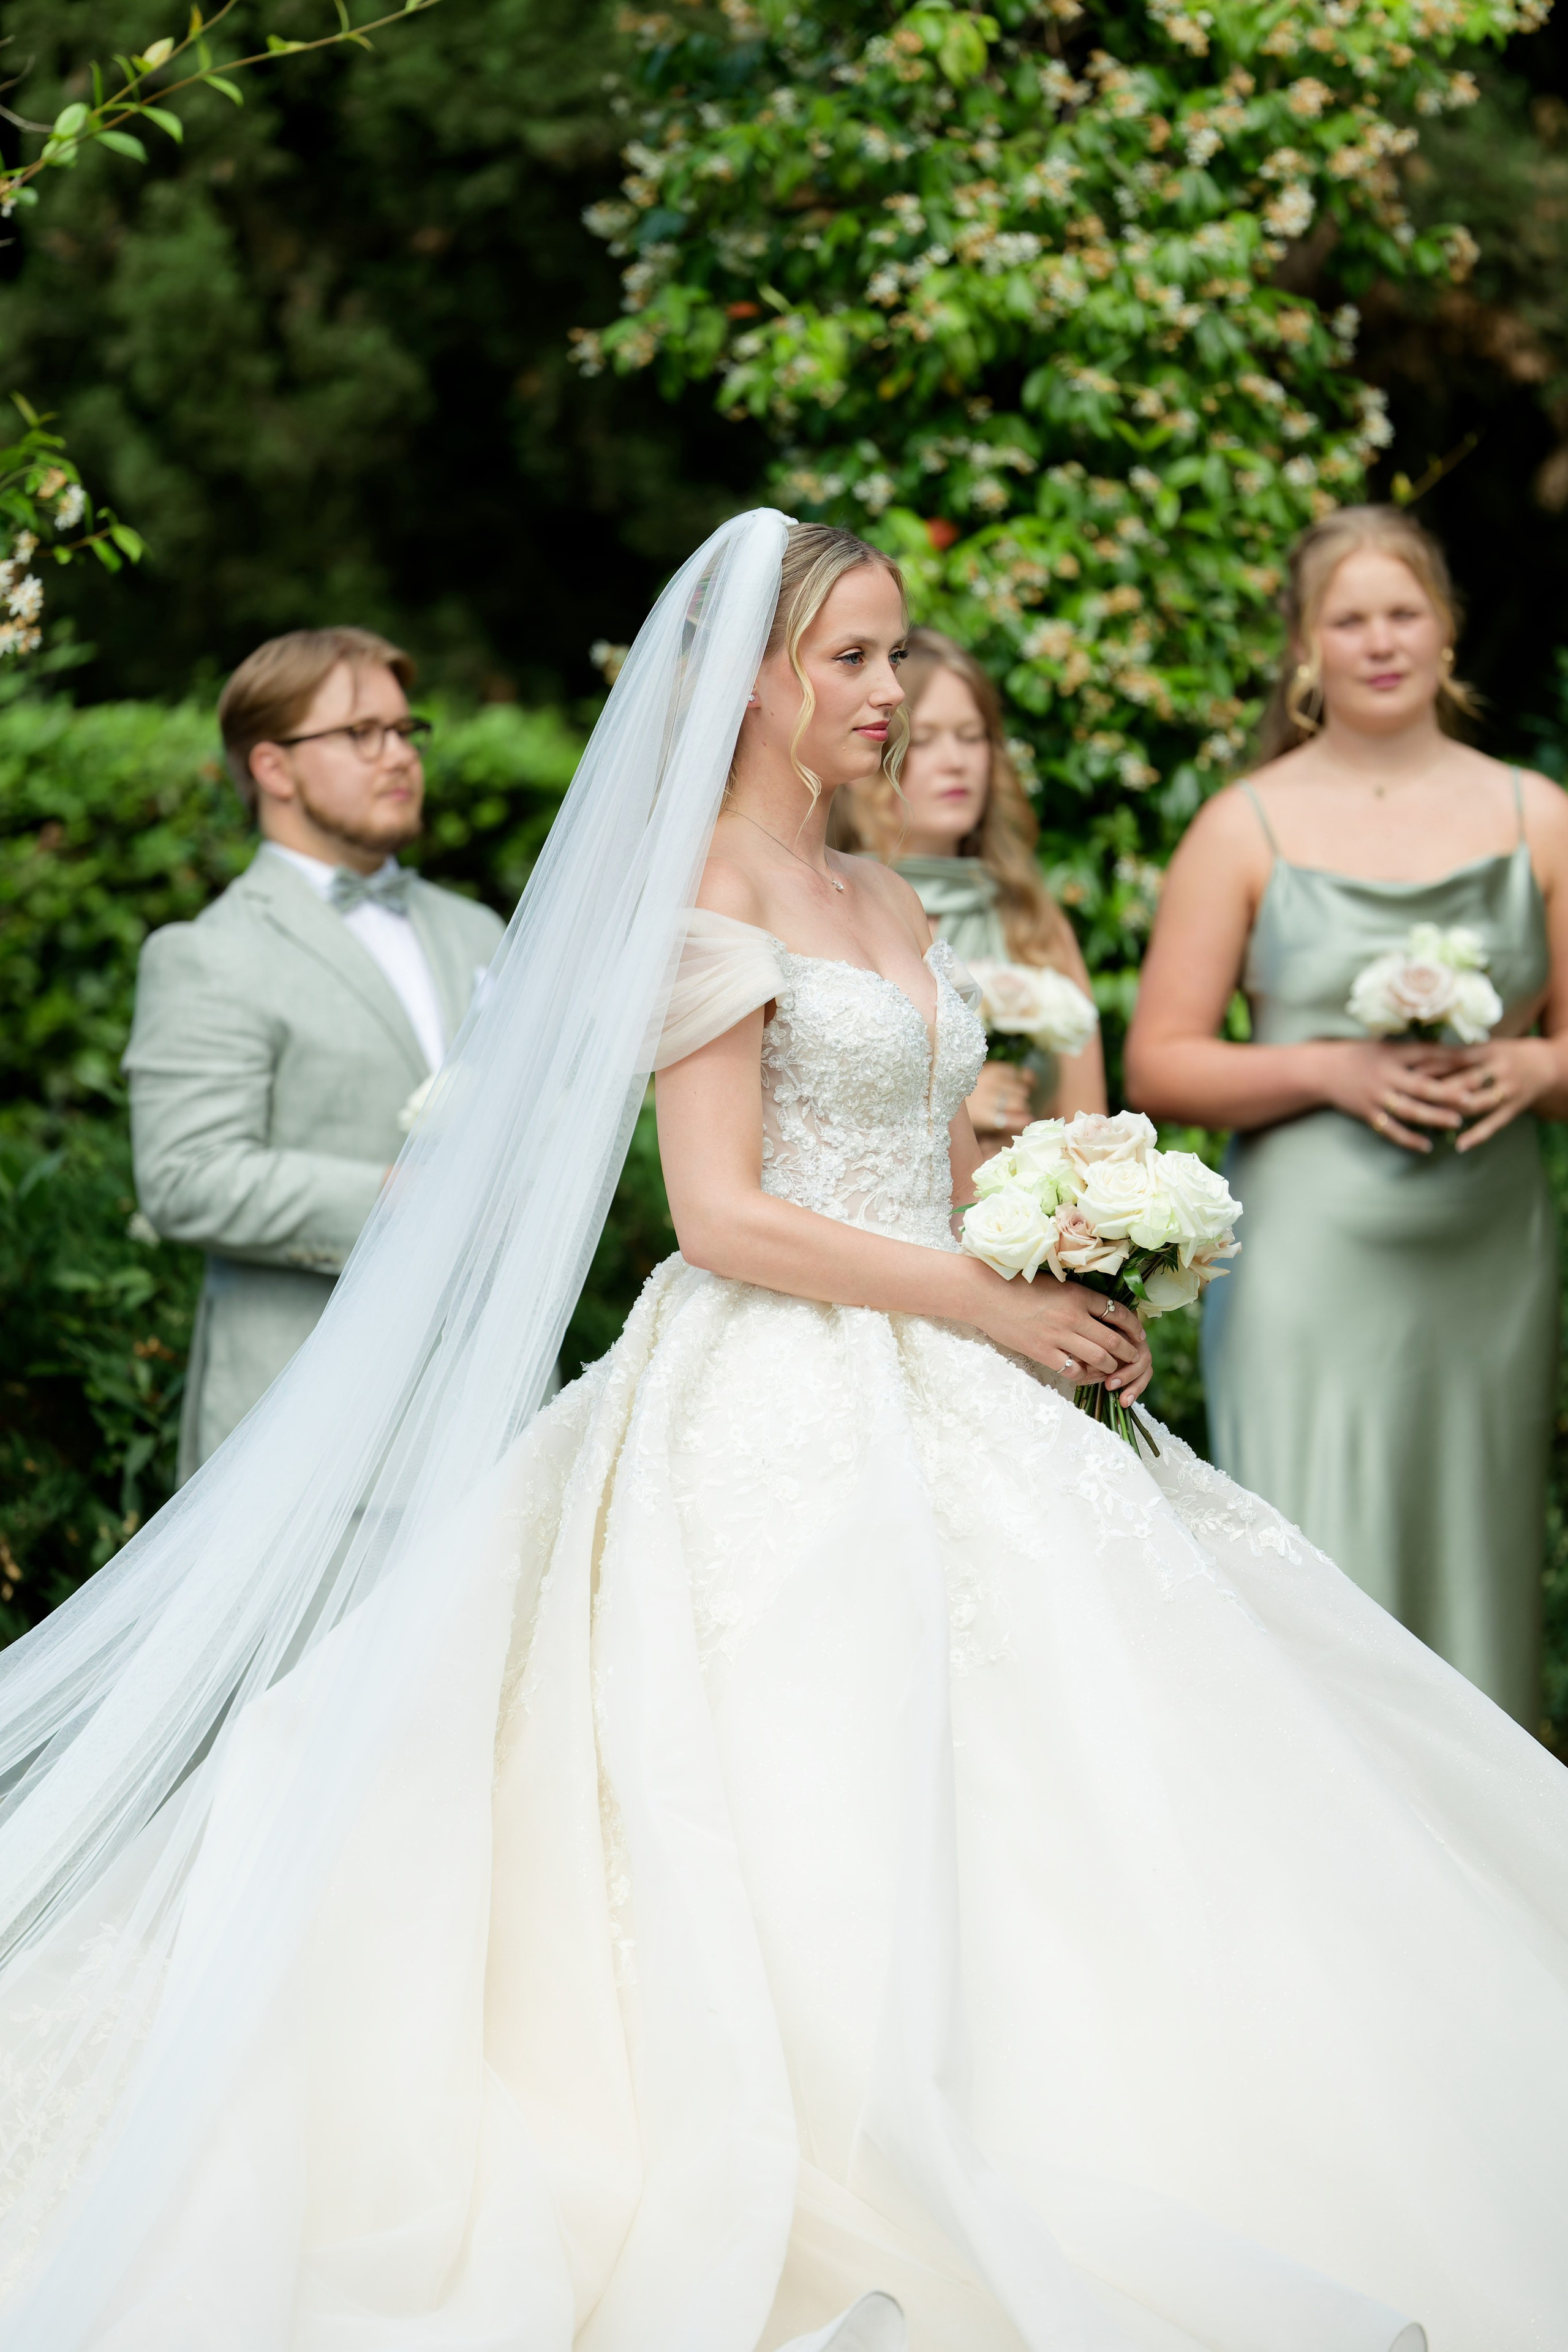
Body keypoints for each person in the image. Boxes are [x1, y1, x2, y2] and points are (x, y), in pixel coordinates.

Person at [0, 513, 1566, 2352]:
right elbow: (724, 1212)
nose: (894, 694)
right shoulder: (702, 903)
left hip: (961, 1362)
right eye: (855, 659)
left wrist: (1053, 1212)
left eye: (899, 657)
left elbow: (918, 1149)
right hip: (769, 1388)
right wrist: (980, 1297)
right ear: (750, 678)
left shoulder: (892, 899)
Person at [1125, 504, 1568, 1730]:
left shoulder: (1538, 817)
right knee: (1309, 1544)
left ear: (1444, 631)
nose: (1378, 641)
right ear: (1304, 653)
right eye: (1347, 619)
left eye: (1401, 612)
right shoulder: (1244, 824)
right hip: (1305, 1260)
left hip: (1484, 1257)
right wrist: (1329, 1072)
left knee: (1473, 1549)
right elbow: (1158, 1058)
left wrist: (1533, 1072)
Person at [123, 627, 505, 1479]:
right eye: (361, 733)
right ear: (273, 767)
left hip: (493, 1420)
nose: (398, 755)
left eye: (407, 731)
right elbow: (186, 1177)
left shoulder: (479, 930)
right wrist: (398, 1198)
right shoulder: (208, 953)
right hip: (301, 1448)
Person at [834, 625, 1106, 1138]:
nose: (956, 762)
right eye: (927, 738)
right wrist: (955, 1109)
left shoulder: (1031, 919)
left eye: (972, 736)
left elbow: (1090, 1127)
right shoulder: (831, 906)